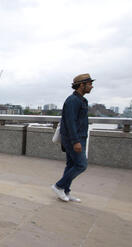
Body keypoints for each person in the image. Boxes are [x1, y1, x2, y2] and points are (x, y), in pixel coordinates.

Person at [52, 73, 94, 202]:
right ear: (82, 85)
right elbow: (70, 122)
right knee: (81, 165)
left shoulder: (81, 100)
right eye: (89, 84)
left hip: (78, 138)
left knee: (71, 164)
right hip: (73, 139)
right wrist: (76, 141)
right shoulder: (72, 100)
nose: (92, 87)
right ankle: (58, 186)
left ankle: (65, 191)